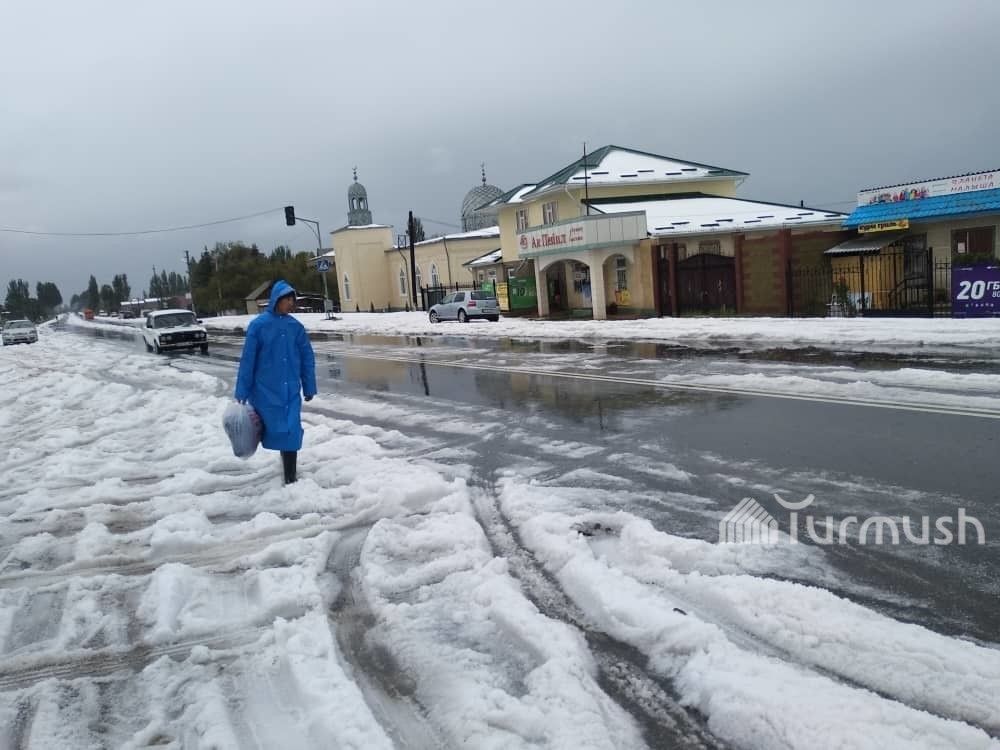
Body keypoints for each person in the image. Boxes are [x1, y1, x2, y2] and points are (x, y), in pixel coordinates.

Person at [235, 280, 317, 484]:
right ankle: (286, 469)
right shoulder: (259, 326)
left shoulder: (295, 327)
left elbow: (307, 358)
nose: (291, 303)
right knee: (277, 430)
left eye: (292, 300)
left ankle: (291, 477)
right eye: (287, 299)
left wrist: (309, 386)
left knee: (291, 429)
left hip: (290, 391)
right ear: (276, 300)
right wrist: (242, 392)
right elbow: (248, 361)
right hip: (265, 392)